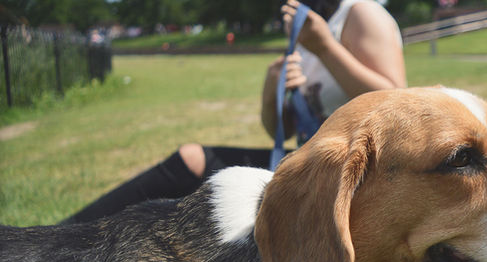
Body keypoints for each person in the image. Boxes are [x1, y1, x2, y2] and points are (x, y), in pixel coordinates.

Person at [62, 0, 406, 224]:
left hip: (356, 175)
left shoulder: (359, 12)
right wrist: (271, 89)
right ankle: (67, 235)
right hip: (312, 163)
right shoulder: (311, 28)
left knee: (197, 162)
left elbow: (396, 106)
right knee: (193, 160)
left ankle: (67, 238)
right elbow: (281, 130)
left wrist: (325, 48)